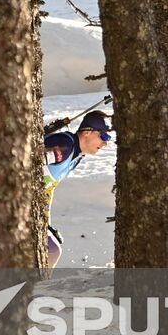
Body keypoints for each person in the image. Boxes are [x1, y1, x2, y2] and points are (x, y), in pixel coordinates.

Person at [42, 109, 112, 267]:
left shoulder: (76, 156)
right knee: (52, 249)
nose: (105, 143)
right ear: (87, 132)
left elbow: (47, 189)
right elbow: (27, 162)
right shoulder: (65, 145)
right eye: (104, 136)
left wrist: (46, 224)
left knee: (52, 248)